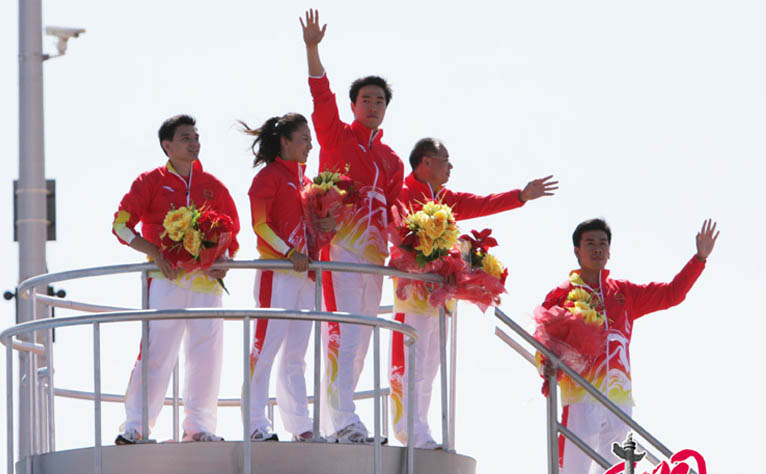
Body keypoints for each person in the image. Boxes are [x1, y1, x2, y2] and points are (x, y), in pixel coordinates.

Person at [389, 138, 558, 448]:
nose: (451, 167)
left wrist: (520, 196)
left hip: (441, 295)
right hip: (412, 292)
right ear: (426, 162)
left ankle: (420, 428)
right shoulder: (401, 193)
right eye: (445, 160)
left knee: (431, 363)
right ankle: (408, 428)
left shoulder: (444, 198)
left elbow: (482, 203)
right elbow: (397, 236)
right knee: (413, 359)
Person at [538, 218, 718, 473]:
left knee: (614, 468)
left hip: (619, 398)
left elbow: (671, 294)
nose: (597, 249)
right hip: (581, 396)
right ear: (577, 251)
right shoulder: (562, 294)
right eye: (590, 243)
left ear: (609, 251)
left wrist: (699, 259)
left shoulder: (624, 293)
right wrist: (545, 366)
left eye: (603, 243)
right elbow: (543, 340)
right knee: (572, 470)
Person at [301, 9, 405, 443]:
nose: (373, 106)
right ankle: (343, 420)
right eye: (366, 100)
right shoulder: (336, 135)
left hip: (374, 258)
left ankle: (340, 421)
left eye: (379, 101)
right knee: (341, 332)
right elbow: (320, 94)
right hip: (340, 248)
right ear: (353, 105)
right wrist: (313, 49)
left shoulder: (392, 160)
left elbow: (398, 212)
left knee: (361, 339)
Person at [112, 114, 240, 444]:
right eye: (186, 138)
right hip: (165, 280)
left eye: (196, 137)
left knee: (206, 355)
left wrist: (225, 260)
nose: (194, 143)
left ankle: (199, 427)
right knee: (156, 352)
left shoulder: (213, 185)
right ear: (167, 146)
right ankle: (136, 427)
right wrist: (154, 253)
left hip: (206, 286)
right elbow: (121, 226)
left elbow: (232, 233)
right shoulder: (149, 182)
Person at [242, 113, 333, 442]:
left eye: (311, 139)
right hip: (277, 272)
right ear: (285, 141)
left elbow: (310, 228)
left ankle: (300, 425)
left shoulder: (307, 182)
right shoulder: (268, 176)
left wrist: (326, 226)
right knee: (264, 348)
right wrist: (289, 253)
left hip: (305, 276)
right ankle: (255, 423)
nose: (310, 145)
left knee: (296, 353)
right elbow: (260, 225)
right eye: (305, 138)